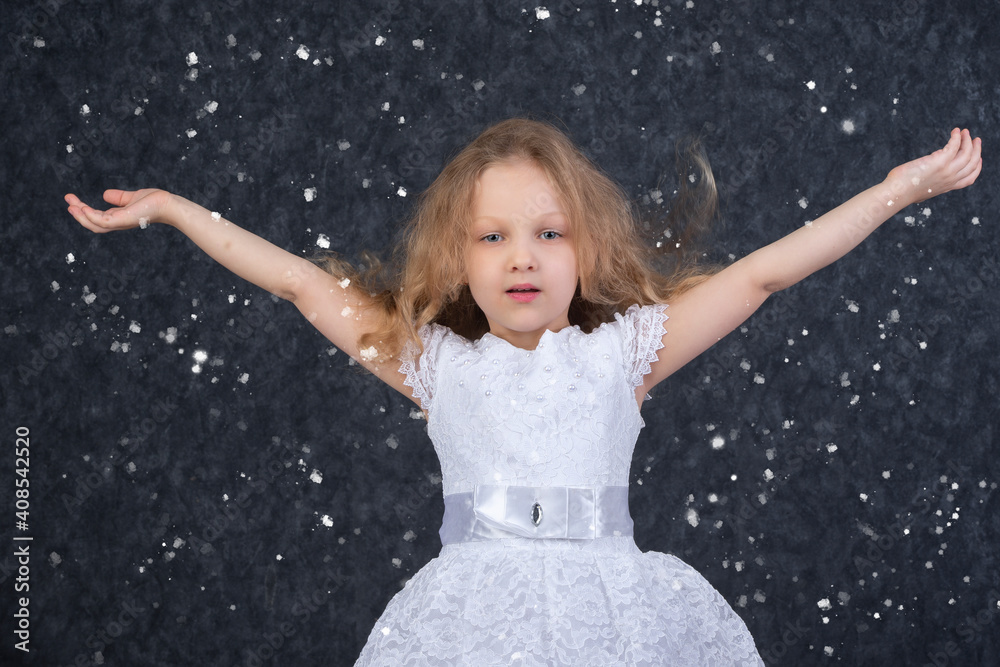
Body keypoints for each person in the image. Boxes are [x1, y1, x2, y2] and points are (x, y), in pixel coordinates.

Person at [65, 119, 981, 665]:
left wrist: (892, 192)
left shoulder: (625, 349)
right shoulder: (433, 360)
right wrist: (178, 209)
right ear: (458, 261)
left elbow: (761, 277)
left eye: (548, 233)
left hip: (610, 610)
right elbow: (302, 282)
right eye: (493, 237)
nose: (522, 257)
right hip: (472, 617)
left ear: (584, 251)